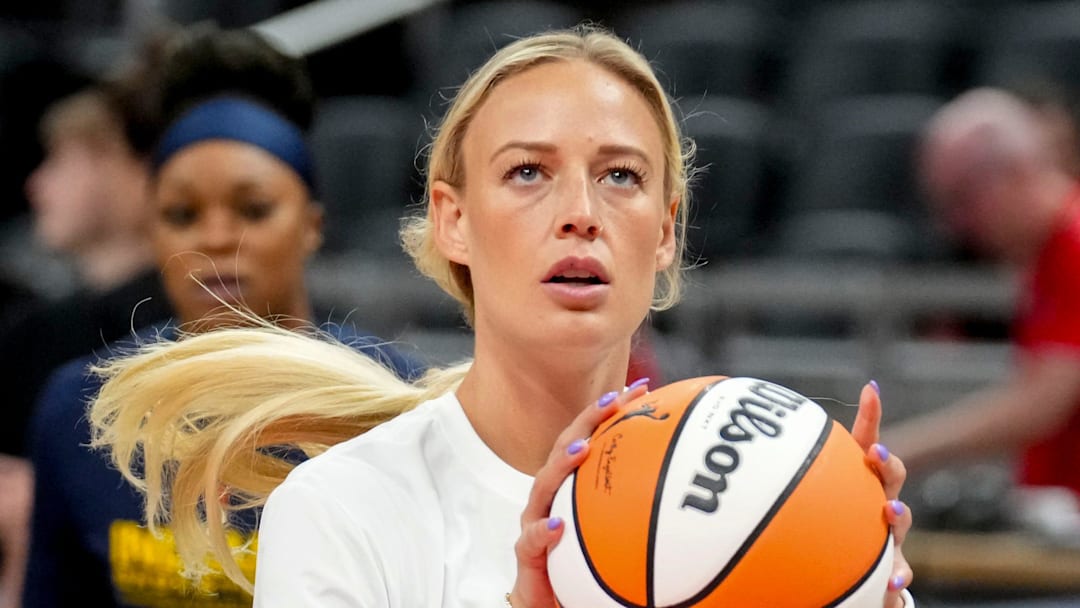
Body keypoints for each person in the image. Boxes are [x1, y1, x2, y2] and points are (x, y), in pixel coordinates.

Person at [88, 25, 914, 607]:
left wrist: (852, 573)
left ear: (665, 231)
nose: (580, 212)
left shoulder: (766, 495)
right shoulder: (343, 507)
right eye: (528, 172)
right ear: (452, 221)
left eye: (621, 176)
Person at [21, 25, 421, 608]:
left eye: (253, 210)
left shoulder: (396, 406)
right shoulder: (81, 409)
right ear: (151, 230)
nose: (215, 237)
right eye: (182, 214)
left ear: (312, 224)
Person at [0, 37, 175, 608]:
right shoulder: (36, 330)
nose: (36, 185)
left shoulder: (189, 322)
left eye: (59, 160)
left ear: (121, 162)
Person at [883, 88, 1080, 501]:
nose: (956, 224)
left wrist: (895, 450)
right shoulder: (1046, 255)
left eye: (962, 198)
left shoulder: (1074, 245)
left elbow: (1042, 404)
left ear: (1015, 172)